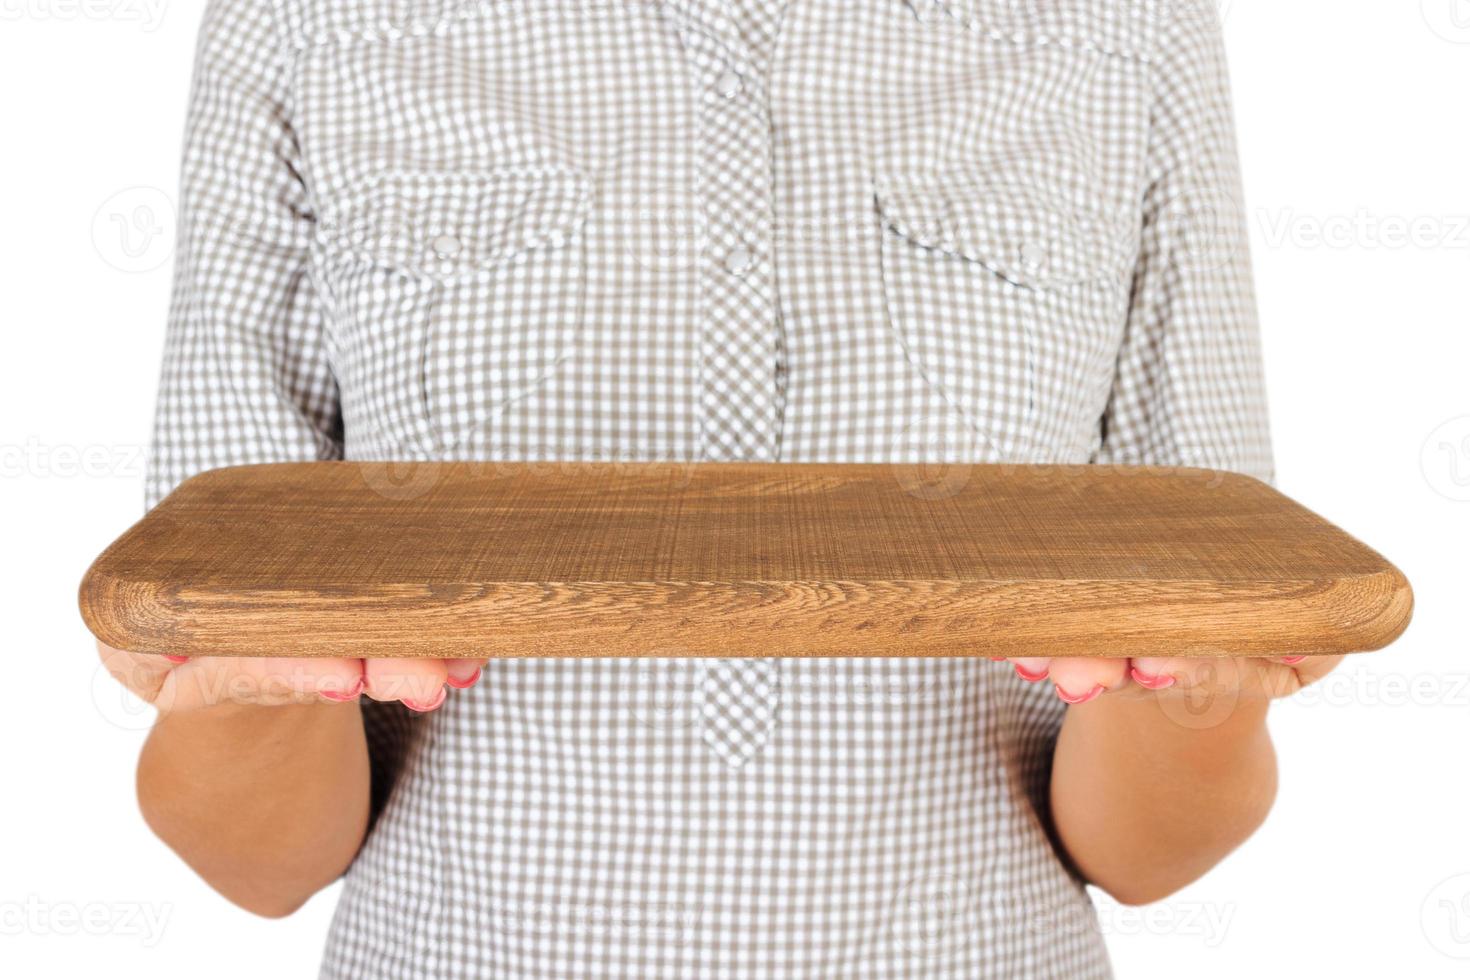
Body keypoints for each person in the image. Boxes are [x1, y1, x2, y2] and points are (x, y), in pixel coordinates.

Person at [97, 0, 1339, 975]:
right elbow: (257, 866)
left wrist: (1197, 706)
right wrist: (252, 693)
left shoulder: (1128, 23)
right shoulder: (304, 17)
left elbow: (1145, 857)